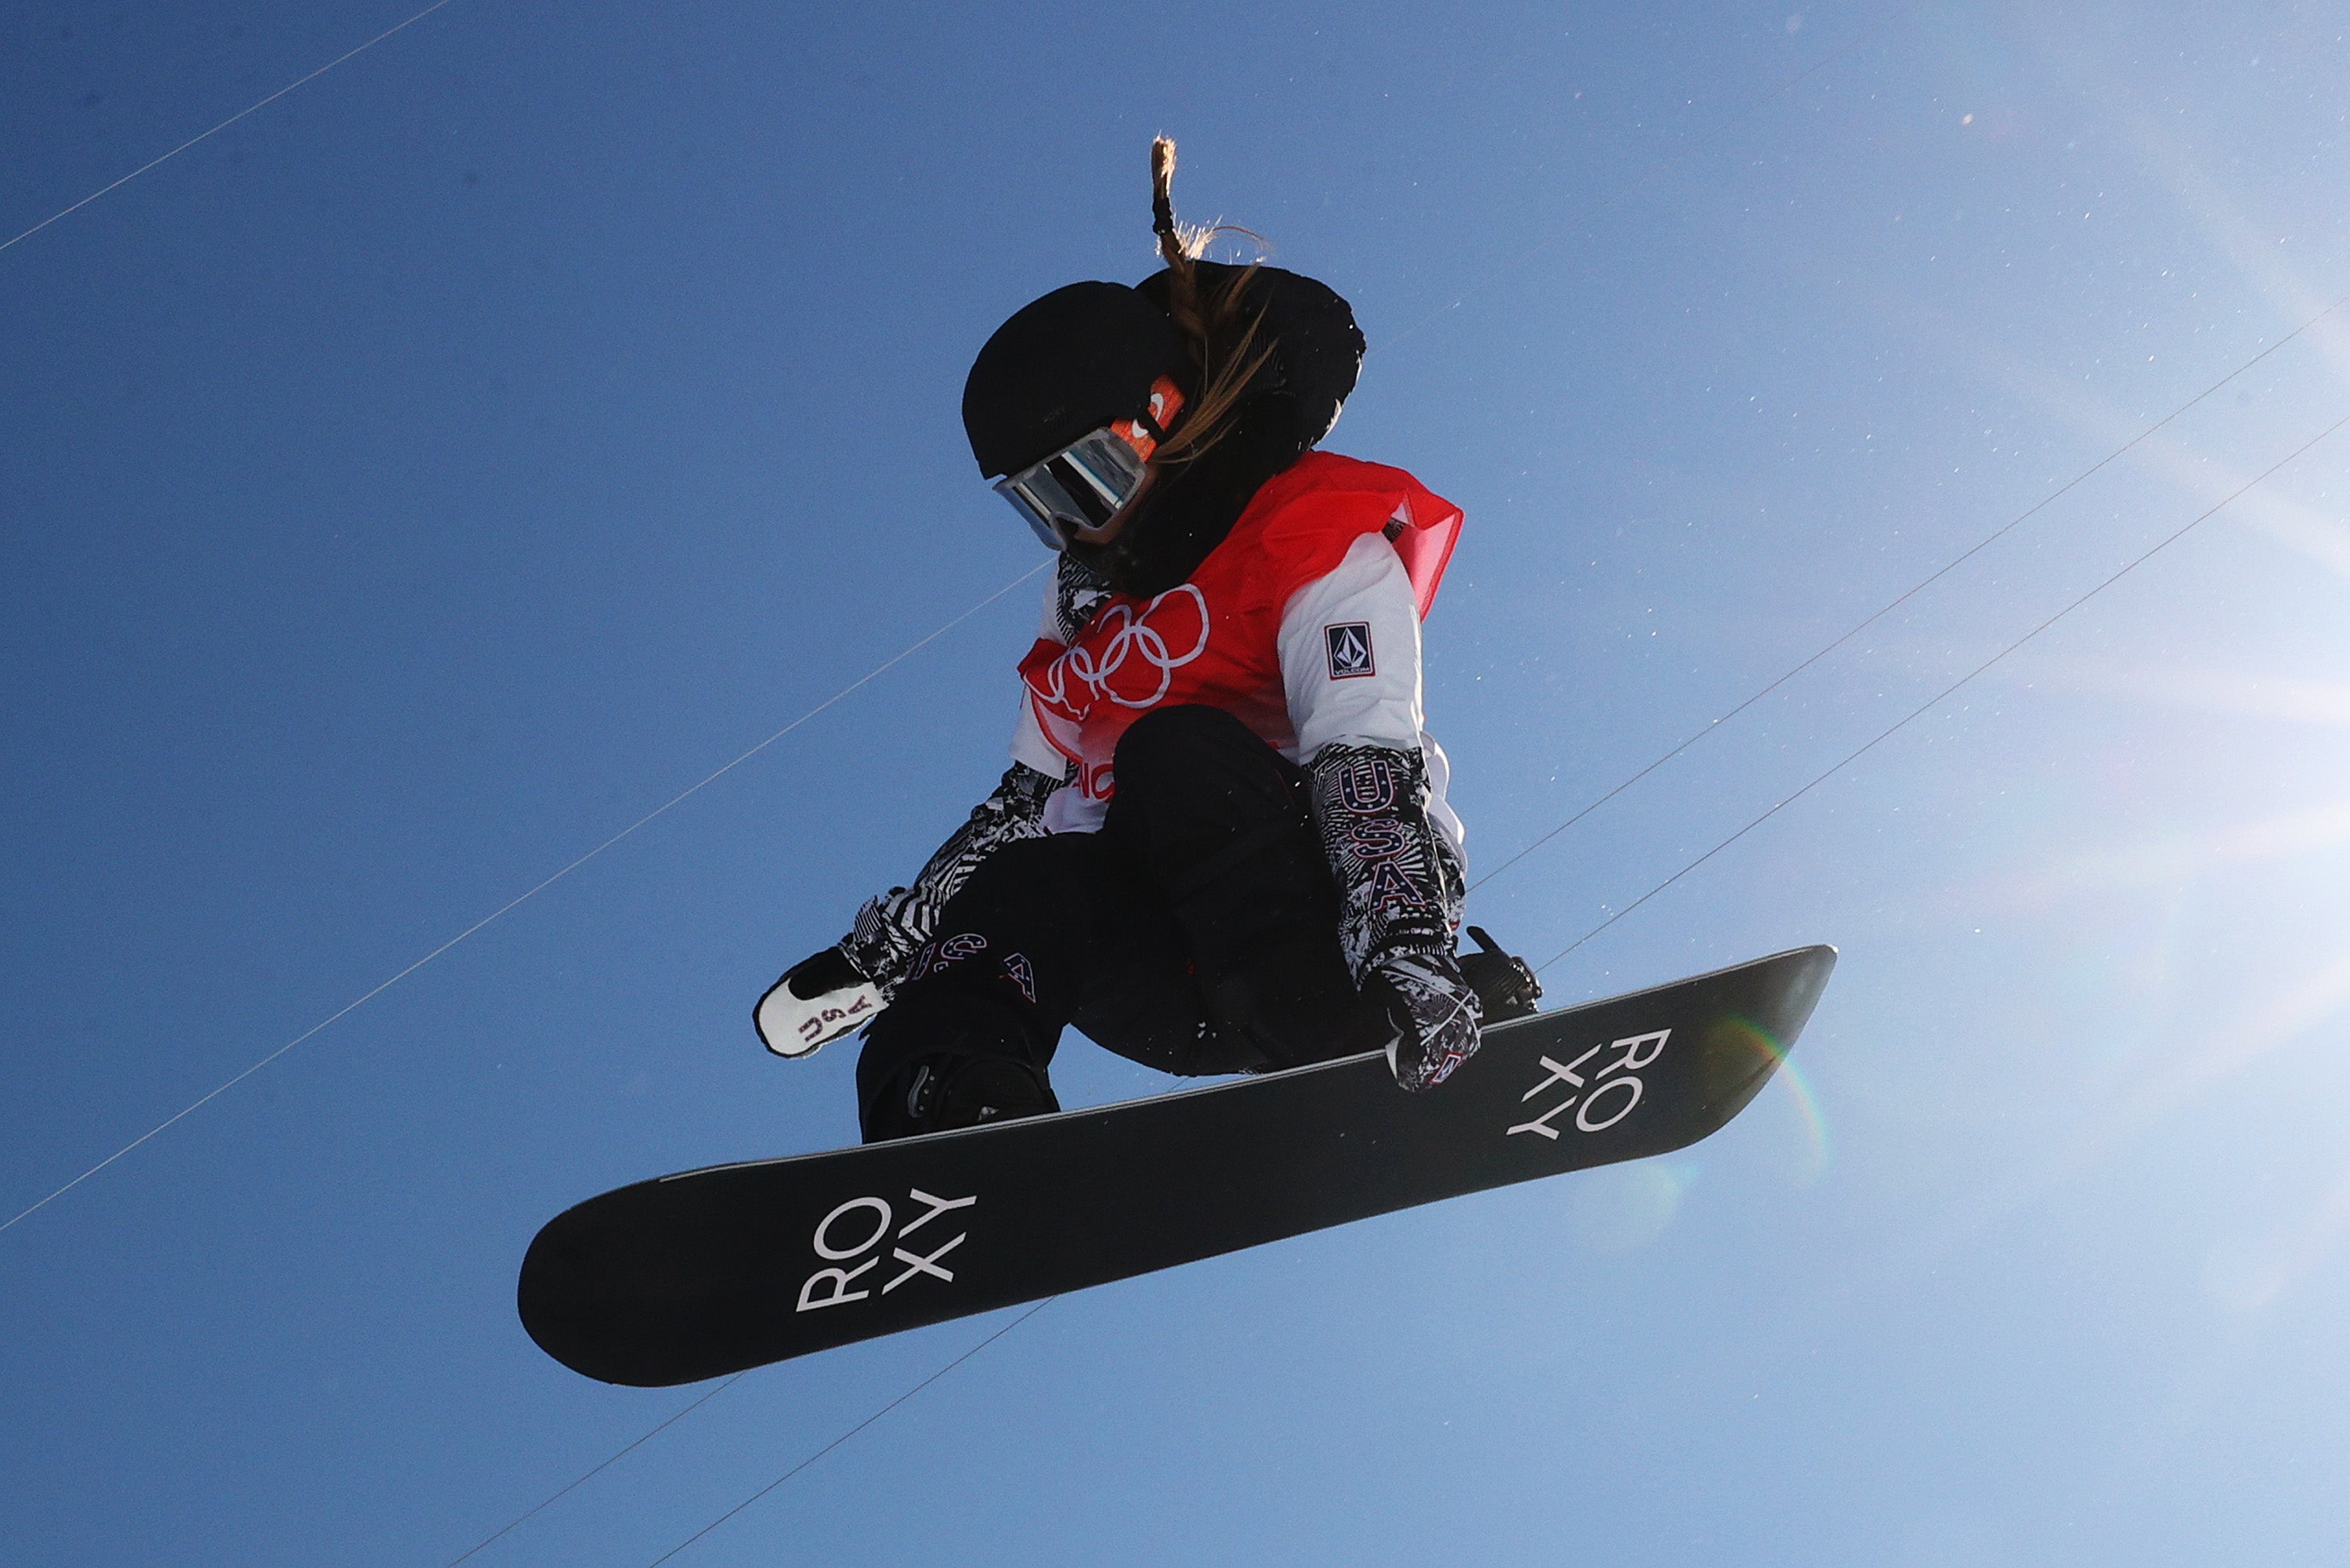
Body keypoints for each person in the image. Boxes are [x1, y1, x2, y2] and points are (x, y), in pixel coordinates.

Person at [756, 139, 1537, 1143]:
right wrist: (895, 951)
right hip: (1175, 973)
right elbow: (1022, 812)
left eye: (1084, 479)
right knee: (1027, 881)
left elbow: (1361, 755)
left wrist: (1405, 948)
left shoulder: (1304, 541)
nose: (1078, 526)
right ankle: (953, 1108)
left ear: (1159, 418)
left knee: (1173, 752)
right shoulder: (1084, 617)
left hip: (1328, 928)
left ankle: (1369, 1025)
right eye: (1042, 505)